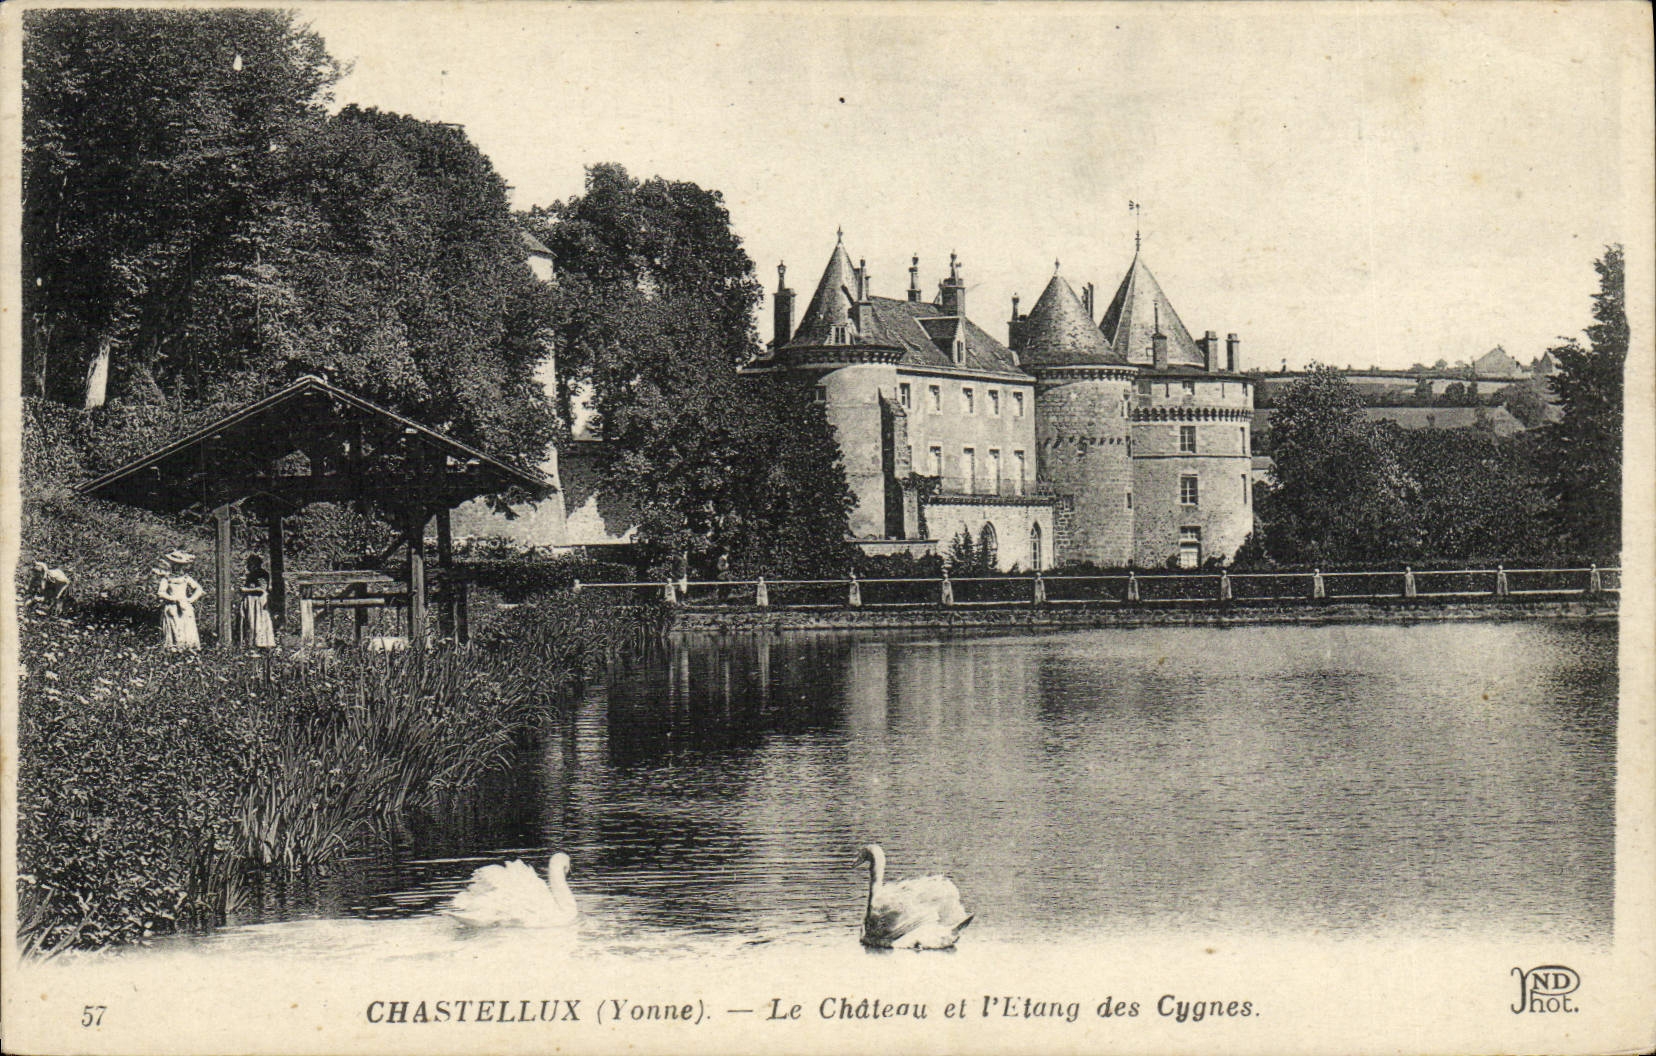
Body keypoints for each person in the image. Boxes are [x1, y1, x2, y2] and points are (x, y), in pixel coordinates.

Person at [158, 550, 204, 651]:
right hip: (172, 606)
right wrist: (172, 598)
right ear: (172, 565)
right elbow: (161, 592)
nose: (177, 567)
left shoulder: (186, 578)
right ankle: (175, 649)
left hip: (184, 606)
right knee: (175, 626)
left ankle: (189, 648)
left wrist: (190, 599)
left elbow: (199, 589)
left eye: (180, 565)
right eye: (175, 564)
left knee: (187, 626)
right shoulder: (167, 579)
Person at [240, 553, 277, 649]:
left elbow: (262, 589)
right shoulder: (252, 573)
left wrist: (246, 590)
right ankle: (252, 644)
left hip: (258, 601)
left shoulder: (261, 573)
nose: (249, 565)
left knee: (259, 621)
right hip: (252, 601)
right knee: (252, 622)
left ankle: (261, 643)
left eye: (250, 563)